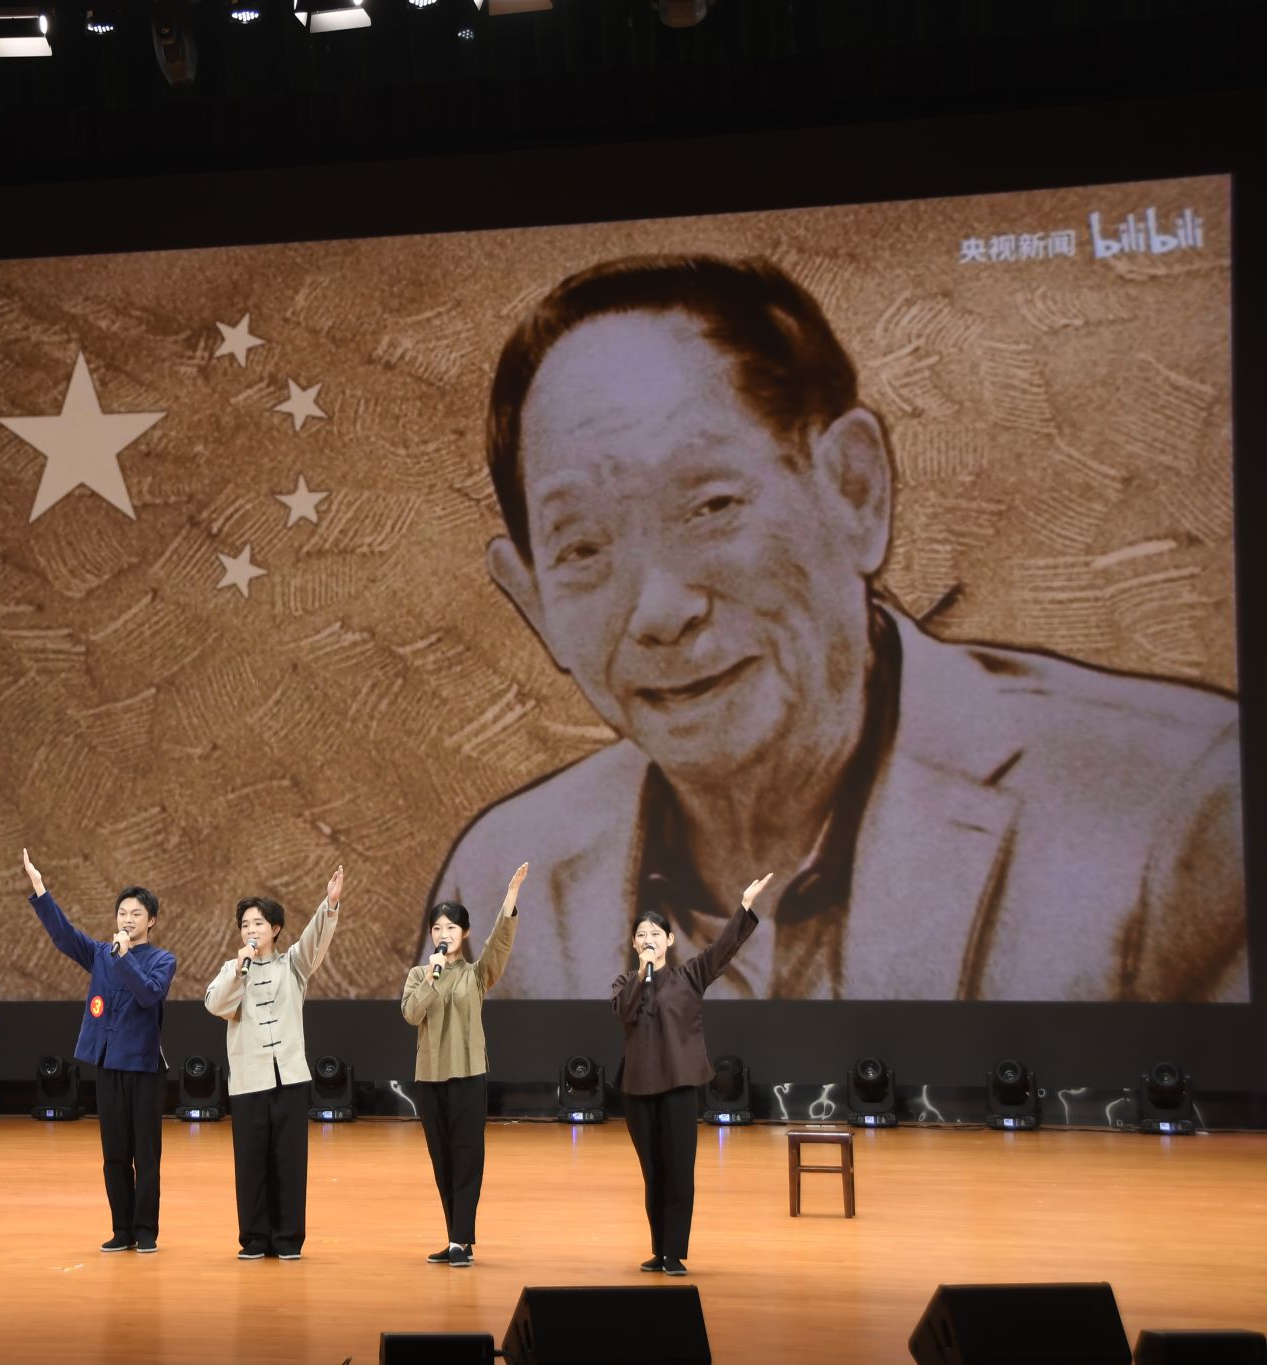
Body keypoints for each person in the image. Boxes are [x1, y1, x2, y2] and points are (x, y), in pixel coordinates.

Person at [434, 253, 1243, 1003]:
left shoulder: (1181, 813)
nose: (658, 612)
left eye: (710, 506)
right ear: (533, 601)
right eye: (582, 548)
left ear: (854, 489)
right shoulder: (505, 879)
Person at [21, 849, 177, 1254]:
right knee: (114, 1154)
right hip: (108, 1065)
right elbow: (64, 936)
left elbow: (148, 994)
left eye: (136, 913)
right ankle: (121, 1229)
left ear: (151, 920)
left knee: (146, 1155)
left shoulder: (162, 959)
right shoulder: (100, 954)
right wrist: (40, 888)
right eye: (122, 912)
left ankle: (146, 1230)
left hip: (144, 1067)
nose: (127, 919)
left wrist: (123, 956)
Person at [616, 872, 772, 1276]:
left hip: (680, 1086)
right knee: (653, 1173)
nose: (648, 939)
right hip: (638, 1090)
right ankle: (658, 1250)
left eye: (655, 934)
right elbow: (625, 1013)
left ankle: (674, 1253)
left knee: (679, 1171)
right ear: (634, 944)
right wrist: (642, 974)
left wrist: (744, 906)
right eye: (641, 935)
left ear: (670, 940)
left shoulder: (689, 976)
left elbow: (722, 949)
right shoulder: (625, 983)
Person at [204, 865, 345, 1262]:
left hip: (290, 1080)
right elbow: (215, 1004)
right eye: (245, 924)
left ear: (276, 928)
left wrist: (330, 904)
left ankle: (287, 1239)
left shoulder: (293, 964)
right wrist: (238, 969)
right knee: (251, 1163)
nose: (251, 929)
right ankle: (254, 1239)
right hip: (249, 1082)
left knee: (289, 1162)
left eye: (259, 923)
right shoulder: (232, 970)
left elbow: (315, 939)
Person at [401, 862, 529, 1268]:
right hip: (429, 1078)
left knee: (468, 1155)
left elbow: (499, 946)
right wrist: (431, 979)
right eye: (438, 928)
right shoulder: (419, 974)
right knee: (442, 1158)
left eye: (452, 928)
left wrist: (510, 898)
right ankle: (456, 1238)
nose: (444, 934)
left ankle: (460, 1239)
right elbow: (411, 1014)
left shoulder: (476, 975)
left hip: (468, 1076)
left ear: (465, 933)